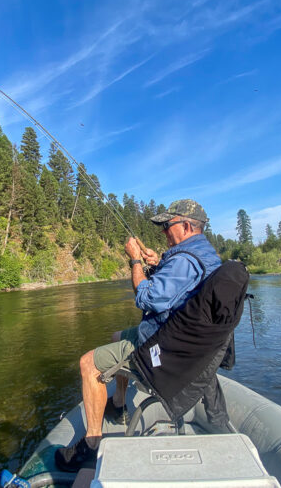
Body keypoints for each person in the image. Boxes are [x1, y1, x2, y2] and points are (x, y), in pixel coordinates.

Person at [55, 199, 222, 472]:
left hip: (163, 345)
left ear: (188, 225)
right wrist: (159, 263)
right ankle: (119, 403)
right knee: (115, 335)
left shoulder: (184, 260)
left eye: (168, 226)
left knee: (88, 363)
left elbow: (146, 299)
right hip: (180, 336)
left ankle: (92, 445)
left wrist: (134, 259)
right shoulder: (205, 255)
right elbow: (179, 288)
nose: (163, 232)